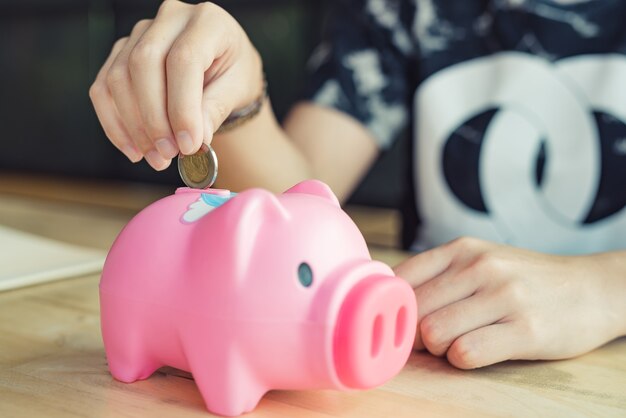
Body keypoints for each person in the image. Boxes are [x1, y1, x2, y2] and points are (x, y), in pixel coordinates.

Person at [89, 0, 626, 369]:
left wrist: (608, 288)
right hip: (422, 361)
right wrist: (239, 100)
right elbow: (296, 201)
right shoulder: (399, 9)